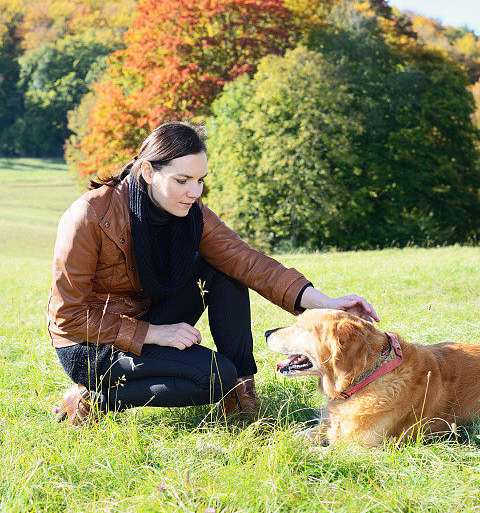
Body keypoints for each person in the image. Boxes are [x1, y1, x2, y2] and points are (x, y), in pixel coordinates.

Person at [48, 122, 379, 425]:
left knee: (223, 268)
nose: (195, 192)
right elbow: (68, 317)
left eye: (200, 180)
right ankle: (94, 399)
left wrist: (328, 305)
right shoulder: (89, 216)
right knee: (213, 377)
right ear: (148, 171)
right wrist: (153, 333)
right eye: (182, 181)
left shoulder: (190, 213)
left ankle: (241, 393)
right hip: (90, 345)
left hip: (147, 319)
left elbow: (246, 261)